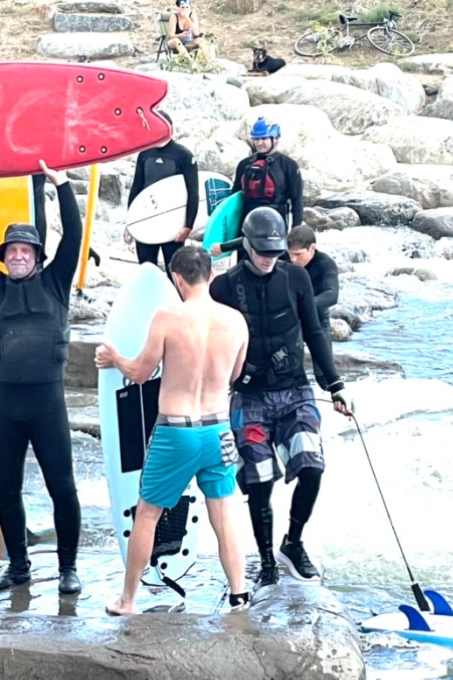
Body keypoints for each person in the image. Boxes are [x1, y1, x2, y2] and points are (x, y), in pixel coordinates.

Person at [0, 161, 84, 596]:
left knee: (62, 486)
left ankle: (67, 569)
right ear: (3, 257)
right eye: (11, 251)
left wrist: (62, 186)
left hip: (47, 404)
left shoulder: (57, 283)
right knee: (6, 489)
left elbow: (75, 237)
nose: (18, 255)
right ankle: (19, 567)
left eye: (25, 250)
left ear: (38, 257)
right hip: (5, 405)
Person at [95, 245, 250, 614]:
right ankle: (239, 595)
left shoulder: (167, 317)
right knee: (224, 513)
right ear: (211, 276)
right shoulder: (236, 321)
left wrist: (114, 358)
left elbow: (139, 373)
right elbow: (234, 375)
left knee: (147, 513)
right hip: (219, 431)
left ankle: (128, 599)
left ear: (178, 280)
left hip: (176, 432)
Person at [209, 207, 352, 588]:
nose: (269, 259)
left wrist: (334, 383)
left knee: (312, 466)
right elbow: (209, 339)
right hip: (250, 394)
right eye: (262, 252)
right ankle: (267, 561)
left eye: (275, 253)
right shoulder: (224, 287)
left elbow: (315, 332)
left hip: (294, 388)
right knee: (258, 480)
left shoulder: (297, 277)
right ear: (247, 244)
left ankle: (293, 542)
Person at [210, 116, 303, 262]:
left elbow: (297, 201)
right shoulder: (244, 165)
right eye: (256, 139)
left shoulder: (289, 166)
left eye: (264, 138)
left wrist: (296, 232)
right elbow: (234, 201)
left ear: (276, 138)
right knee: (245, 268)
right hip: (247, 226)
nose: (259, 143)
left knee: (277, 268)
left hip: (276, 226)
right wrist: (228, 235)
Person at [124, 111, 198, 273]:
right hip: (145, 221)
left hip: (172, 224)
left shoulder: (184, 155)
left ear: (169, 128)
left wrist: (188, 226)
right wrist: (130, 224)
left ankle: (175, 299)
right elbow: (137, 188)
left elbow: (194, 193)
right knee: (146, 271)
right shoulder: (145, 153)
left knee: (175, 273)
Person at [287, 224, 339, 389]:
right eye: (290, 255)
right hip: (291, 322)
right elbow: (252, 241)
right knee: (287, 371)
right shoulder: (283, 259)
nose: (293, 260)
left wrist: (305, 304)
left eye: (298, 254)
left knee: (325, 377)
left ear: (312, 248)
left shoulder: (325, 263)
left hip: (317, 321)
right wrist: (223, 247)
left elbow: (332, 295)